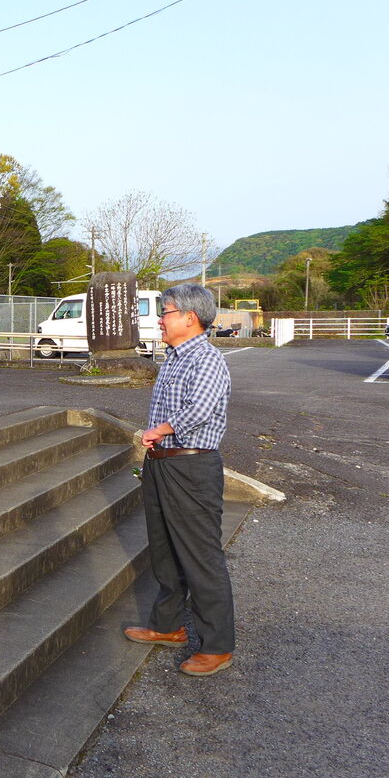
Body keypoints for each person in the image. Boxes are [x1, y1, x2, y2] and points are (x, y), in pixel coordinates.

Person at [124, 282, 235, 676]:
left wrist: (161, 429)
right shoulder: (173, 357)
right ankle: (168, 626)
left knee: (201, 557)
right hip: (162, 464)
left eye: (166, 312)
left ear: (190, 317)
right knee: (165, 551)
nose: (160, 319)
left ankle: (217, 645)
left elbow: (200, 409)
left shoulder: (206, 358)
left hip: (191, 468)